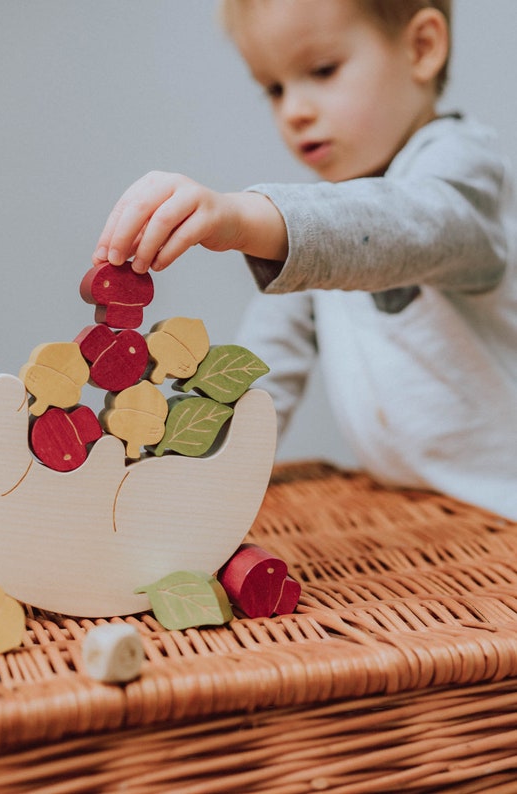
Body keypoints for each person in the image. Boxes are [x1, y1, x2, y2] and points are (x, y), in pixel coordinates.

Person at [92, 0, 517, 520]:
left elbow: (417, 227)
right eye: (274, 88)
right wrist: (183, 462)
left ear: (421, 47)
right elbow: (263, 367)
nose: (294, 110)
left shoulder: (461, 166)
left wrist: (248, 218)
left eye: (322, 71)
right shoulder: (323, 221)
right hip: (422, 513)